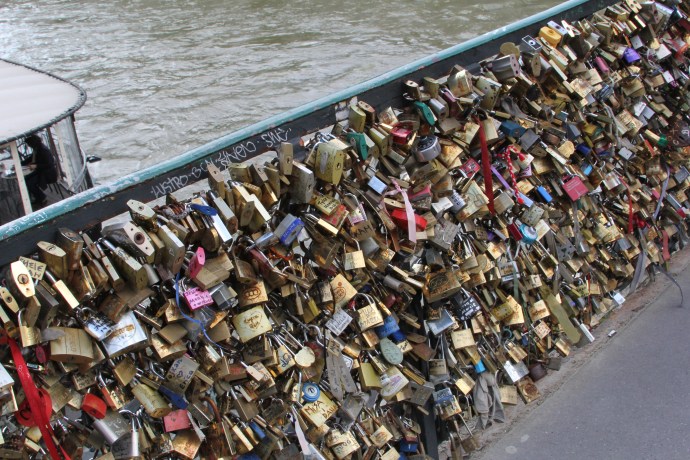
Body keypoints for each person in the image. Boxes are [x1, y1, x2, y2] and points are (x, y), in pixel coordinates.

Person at [23, 134, 58, 207]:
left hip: (48, 174)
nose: (28, 146)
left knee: (29, 183)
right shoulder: (37, 148)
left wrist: (36, 165)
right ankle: (36, 196)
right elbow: (31, 157)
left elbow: (49, 164)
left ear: (32, 143)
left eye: (29, 144)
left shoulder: (43, 150)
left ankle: (41, 197)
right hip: (41, 171)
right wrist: (20, 163)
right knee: (26, 179)